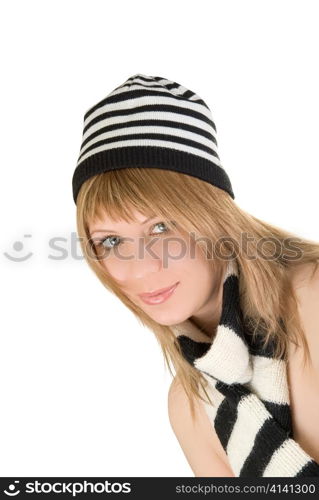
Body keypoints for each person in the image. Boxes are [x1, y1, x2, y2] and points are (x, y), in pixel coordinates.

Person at [71, 73, 319, 477]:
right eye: (112, 241)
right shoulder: (190, 405)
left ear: (215, 218)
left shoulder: (312, 297)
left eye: (161, 227)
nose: (141, 267)